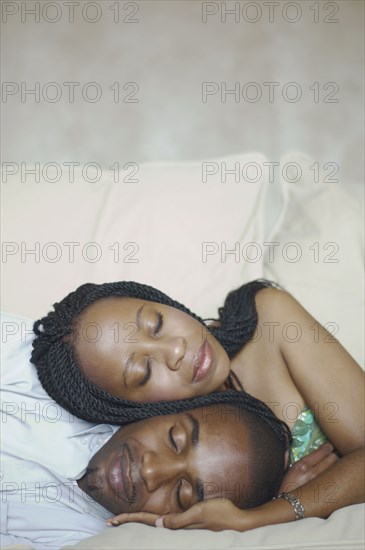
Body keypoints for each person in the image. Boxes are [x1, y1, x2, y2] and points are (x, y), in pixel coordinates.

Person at [29, 280, 365, 530]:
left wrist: (275, 512)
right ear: (127, 410)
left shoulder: (270, 321)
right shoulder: (154, 460)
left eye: (157, 323)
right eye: (144, 371)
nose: (176, 349)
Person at [1, 312, 299, 549]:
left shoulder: (81, 540)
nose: (151, 471)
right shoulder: (52, 370)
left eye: (182, 494)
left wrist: (276, 516)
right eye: (174, 439)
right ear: (166, 407)